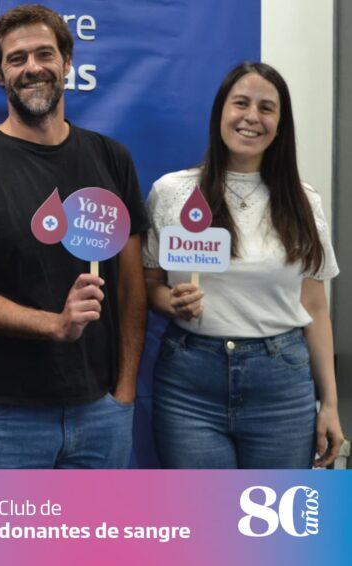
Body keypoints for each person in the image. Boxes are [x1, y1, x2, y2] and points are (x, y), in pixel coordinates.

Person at [0, 4, 148, 469]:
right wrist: (56, 324)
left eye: (44, 54)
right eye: (16, 59)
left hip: (102, 413)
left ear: (67, 62)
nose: (32, 67)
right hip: (4, 420)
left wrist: (125, 391)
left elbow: (132, 289)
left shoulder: (112, 159)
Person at [144, 61, 344, 469]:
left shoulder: (304, 202)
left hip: (281, 384)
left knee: (274, 511)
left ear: (280, 125)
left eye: (266, 108)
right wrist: (170, 302)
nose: (252, 116)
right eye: (241, 103)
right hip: (189, 385)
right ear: (220, 112)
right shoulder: (171, 192)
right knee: (202, 509)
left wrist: (330, 404)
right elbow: (149, 283)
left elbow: (315, 307)